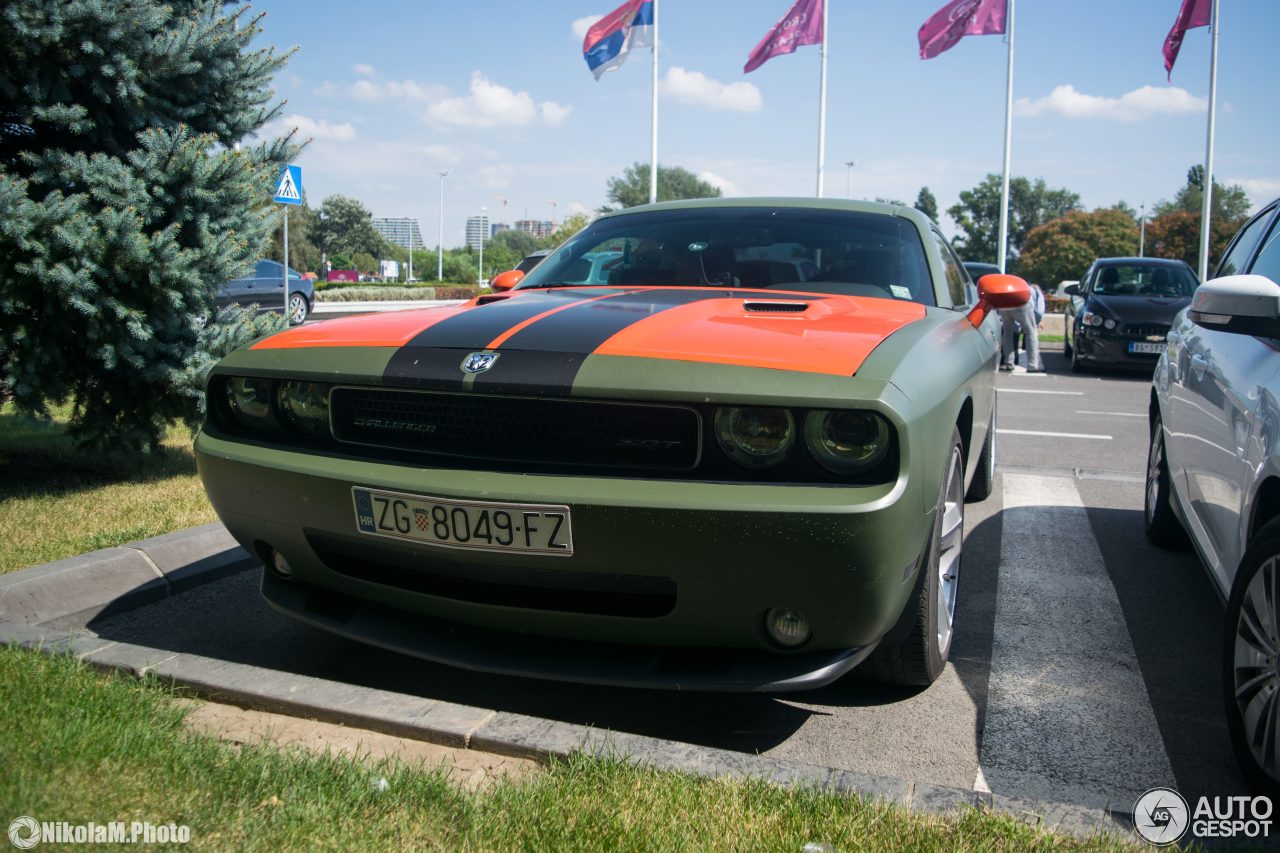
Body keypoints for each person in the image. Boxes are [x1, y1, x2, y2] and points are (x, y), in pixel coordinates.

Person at [1000, 282, 1045, 373]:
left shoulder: (1020, 286)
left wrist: (1017, 327)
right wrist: (1035, 324)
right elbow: (1039, 312)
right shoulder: (1037, 292)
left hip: (1004, 300)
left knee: (1007, 333)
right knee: (1031, 333)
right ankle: (1032, 365)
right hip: (1022, 301)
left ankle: (1009, 363)